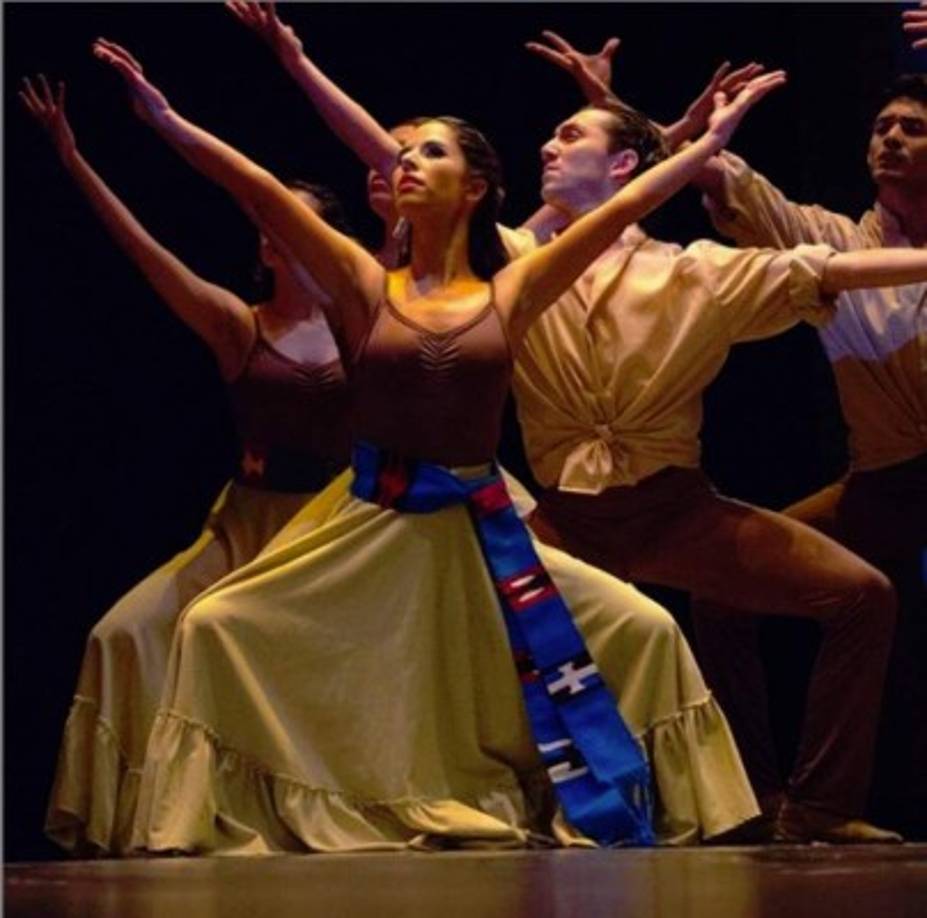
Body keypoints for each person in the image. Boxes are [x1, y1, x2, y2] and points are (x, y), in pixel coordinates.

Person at [235, 11, 927, 843]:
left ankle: (806, 809)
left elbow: (828, 268)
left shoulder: (697, 274)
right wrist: (295, 60)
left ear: (625, 165)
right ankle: (684, 799)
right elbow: (389, 158)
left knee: (859, 597)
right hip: (560, 524)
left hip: (674, 513)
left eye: (569, 135)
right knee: (568, 652)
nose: (547, 147)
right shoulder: (509, 262)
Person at [90, 35, 790, 853]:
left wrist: (703, 147)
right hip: (373, 524)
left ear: (477, 187)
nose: (405, 164)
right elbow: (253, 188)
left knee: (644, 627)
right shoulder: (360, 281)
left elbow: (620, 211)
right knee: (214, 625)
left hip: (480, 529)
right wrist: (168, 120)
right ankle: (220, 813)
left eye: (429, 152)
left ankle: (644, 802)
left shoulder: (514, 285)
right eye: (401, 154)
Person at [20, 74, 353, 855]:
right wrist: (73, 161)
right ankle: (138, 810)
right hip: (247, 523)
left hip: (336, 529)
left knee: (235, 638)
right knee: (123, 633)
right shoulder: (237, 324)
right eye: (265, 225)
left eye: (288, 222)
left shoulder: (364, 315)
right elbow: (145, 253)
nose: (271, 235)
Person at [694, 46, 927, 837]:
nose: (890, 139)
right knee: (721, 588)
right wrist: (653, 124)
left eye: (914, 129)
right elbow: (719, 177)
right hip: (887, 486)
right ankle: (774, 803)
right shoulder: (832, 244)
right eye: (881, 127)